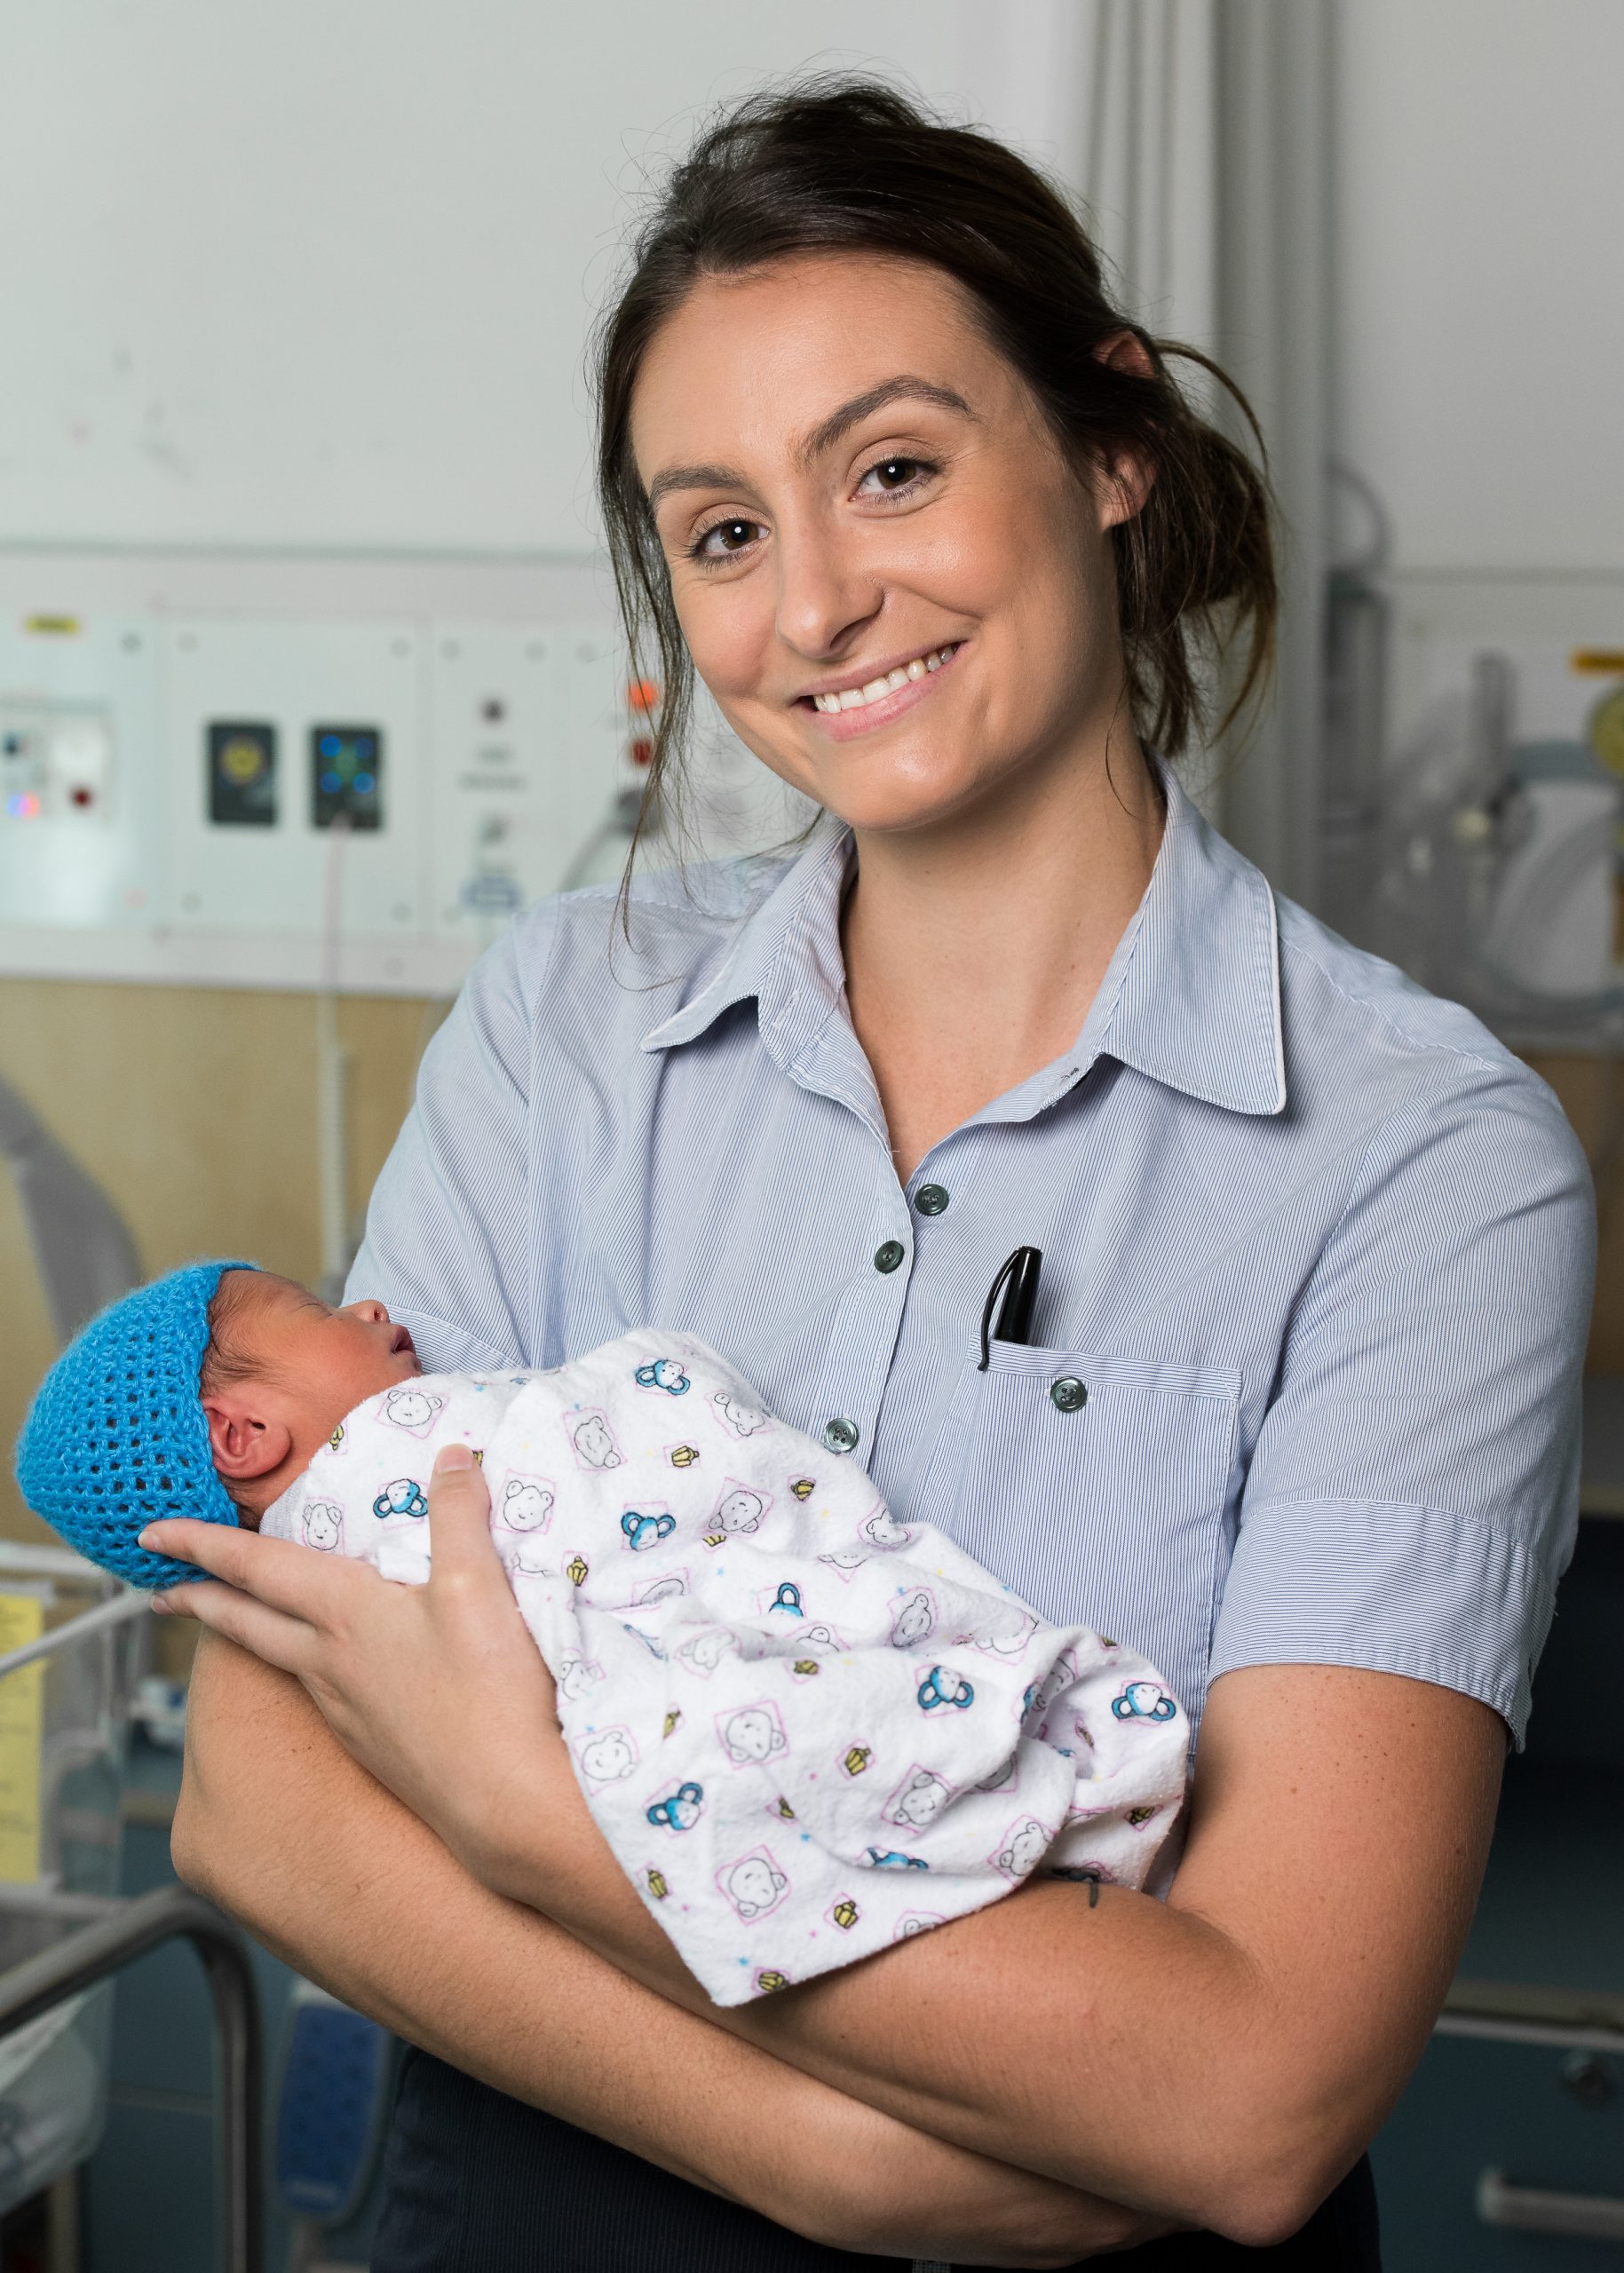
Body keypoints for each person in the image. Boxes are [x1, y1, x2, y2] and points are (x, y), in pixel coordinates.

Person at [139, 78, 1593, 2269]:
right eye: (721, 531)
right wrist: (844, 2168)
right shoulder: (566, 1032)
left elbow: (1254, 2083)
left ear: (1114, 450)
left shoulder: (1423, 1167)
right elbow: (257, 1793)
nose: (815, 602)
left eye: (891, 469)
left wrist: (521, 1815)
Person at [15, 1262, 1186, 2004]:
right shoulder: (395, 1469)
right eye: (323, 1309)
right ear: (242, 1438)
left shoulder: (328, 1564)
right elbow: (591, 1452)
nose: (372, 1305)